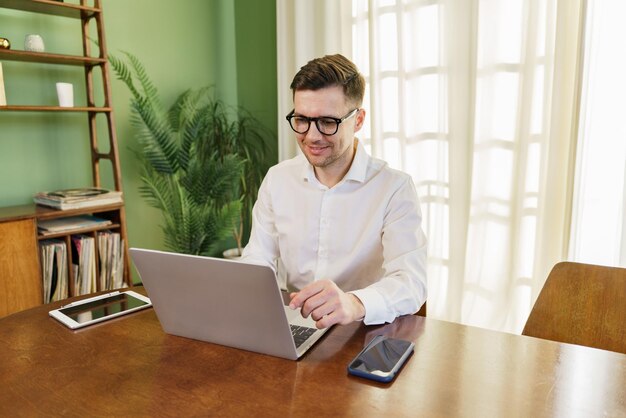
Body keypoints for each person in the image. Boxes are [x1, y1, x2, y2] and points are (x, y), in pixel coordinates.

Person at [240, 54, 427, 328]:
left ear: (359, 120)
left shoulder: (394, 189)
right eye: (301, 119)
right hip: (293, 326)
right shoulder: (278, 179)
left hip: (363, 333)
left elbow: (411, 282)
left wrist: (355, 303)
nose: (312, 136)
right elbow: (257, 256)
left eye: (328, 122)